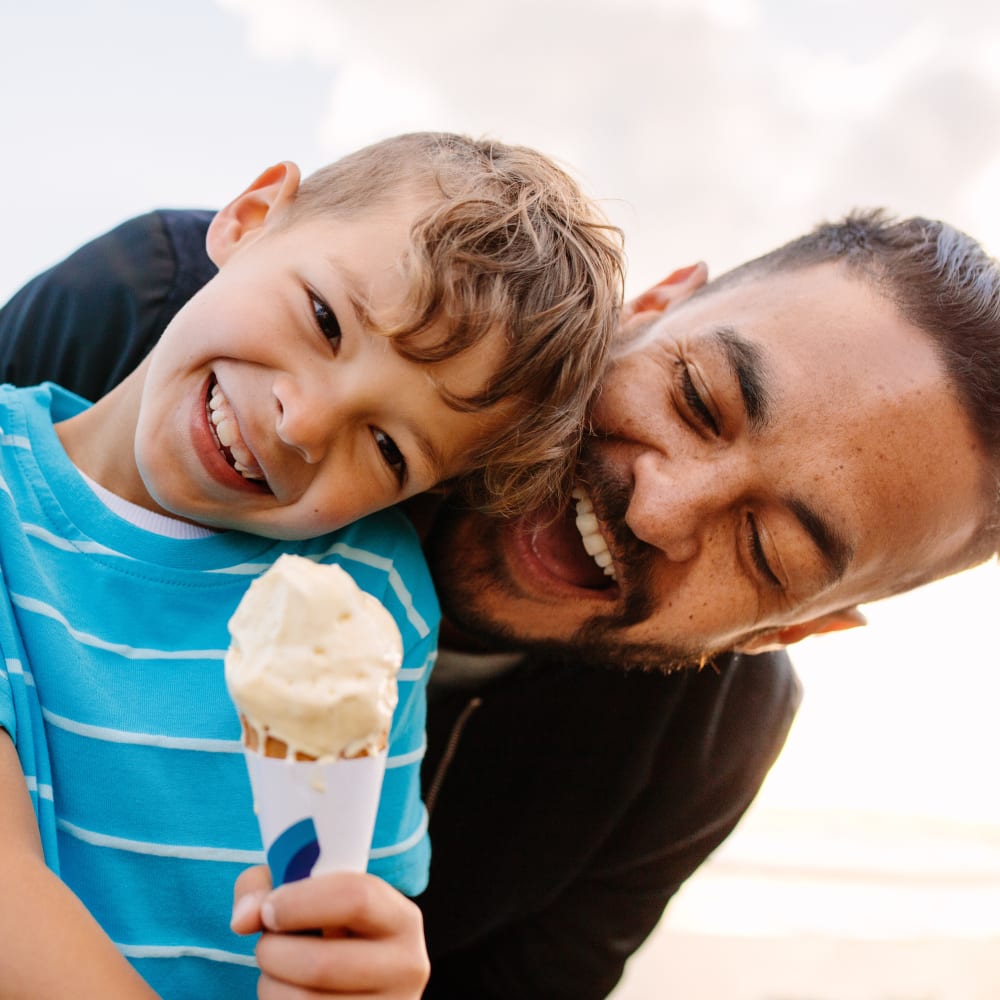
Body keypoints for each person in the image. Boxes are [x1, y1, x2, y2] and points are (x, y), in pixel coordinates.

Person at [3, 206, 998, 1000]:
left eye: (764, 546)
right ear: (648, 306)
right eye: (696, 397)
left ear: (786, 629)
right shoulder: (182, 337)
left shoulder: (697, 751)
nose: (662, 505)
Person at [0, 132, 624, 1000]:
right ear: (250, 219)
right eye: (326, 320)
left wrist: (355, 973)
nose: (303, 423)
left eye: (387, 448)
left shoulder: (374, 600)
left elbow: (346, 906)